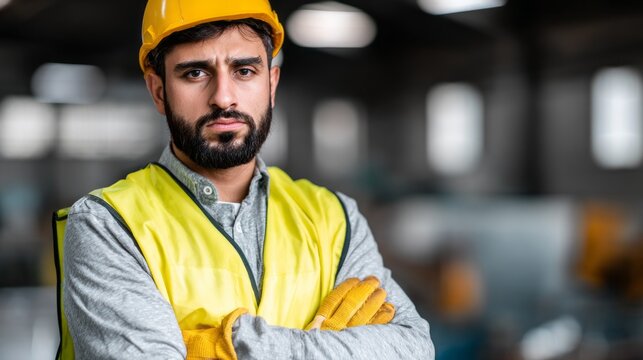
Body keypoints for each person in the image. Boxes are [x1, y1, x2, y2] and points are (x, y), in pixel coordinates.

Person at [53, 0, 435, 358]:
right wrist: (326, 345)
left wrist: (236, 345)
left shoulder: (334, 217)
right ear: (158, 91)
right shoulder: (109, 224)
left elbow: (413, 346)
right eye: (196, 72)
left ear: (271, 84)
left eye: (244, 71)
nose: (223, 97)